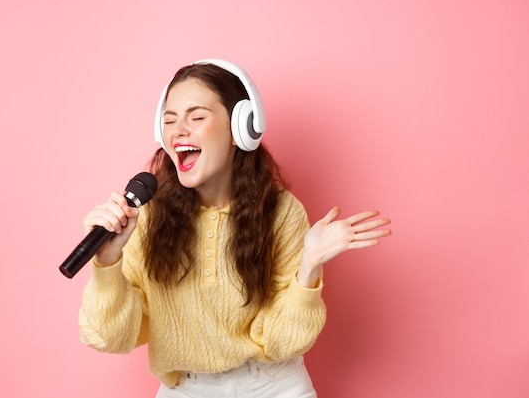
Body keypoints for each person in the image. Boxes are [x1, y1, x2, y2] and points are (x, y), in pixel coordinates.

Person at [77, 59, 391, 397]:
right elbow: (108, 337)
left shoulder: (281, 212)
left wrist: (309, 266)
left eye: (196, 117)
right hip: (186, 388)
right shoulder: (146, 216)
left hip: (274, 385)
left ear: (240, 127)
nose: (179, 129)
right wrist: (107, 262)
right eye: (169, 121)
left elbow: (283, 341)